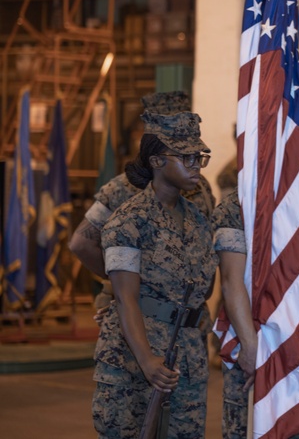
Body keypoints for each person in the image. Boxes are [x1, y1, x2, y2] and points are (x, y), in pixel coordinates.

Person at [92, 111, 215, 439]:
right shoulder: (128, 221)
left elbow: (202, 289)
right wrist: (147, 360)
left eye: (200, 157)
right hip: (135, 357)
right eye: (187, 157)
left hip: (187, 355)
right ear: (158, 161)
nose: (196, 166)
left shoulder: (199, 221)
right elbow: (124, 297)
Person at [214, 126, 299, 439]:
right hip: (259, 340)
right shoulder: (237, 205)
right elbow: (231, 282)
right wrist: (250, 344)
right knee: (251, 428)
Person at [69, 91, 216, 311]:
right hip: (142, 313)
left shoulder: (199, 185)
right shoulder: (123, 187)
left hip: (190, 320)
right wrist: (131, 281)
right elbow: (81, 243)